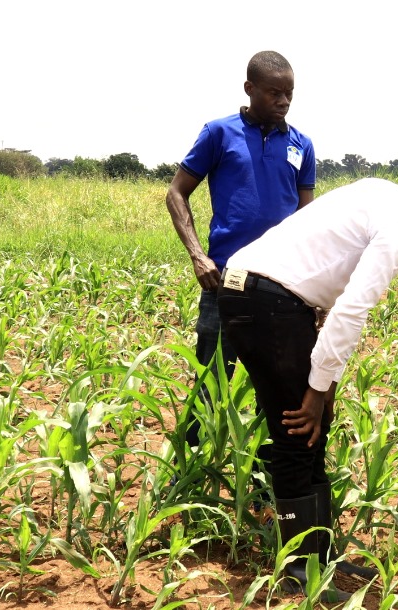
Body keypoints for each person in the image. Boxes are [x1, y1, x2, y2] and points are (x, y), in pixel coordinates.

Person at [218, 177, 398, 598]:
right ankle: (298, 573)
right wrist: (314, 390)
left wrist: (323, 386)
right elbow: (351, 308)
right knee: (296, 431)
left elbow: (328, 285)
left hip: (268, 295)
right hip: (266, 299)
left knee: (313, 431)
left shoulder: (389, 197)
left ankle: (319, 555)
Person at [165, 50, 316, 465]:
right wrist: (198, 256)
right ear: (249, 89)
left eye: (289, 94)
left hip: (281, 285)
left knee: (281, 385)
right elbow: (176, 192)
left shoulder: (302, 144)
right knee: (212, 379)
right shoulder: (219, 133)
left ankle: (274, 476)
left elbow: (307, 219)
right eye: (274, 93)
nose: (284, 101)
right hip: (226, 282)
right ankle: (193, 470)